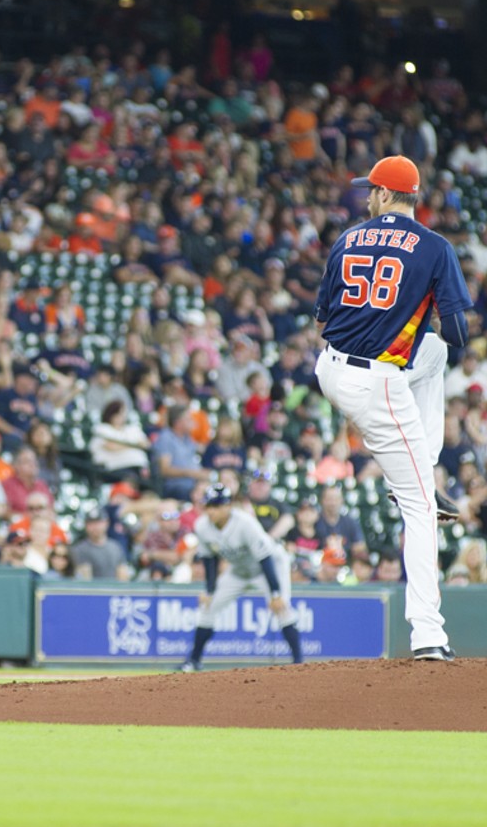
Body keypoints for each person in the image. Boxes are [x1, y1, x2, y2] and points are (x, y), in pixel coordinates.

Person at [313, 155, 471, 662]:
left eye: (371, 190)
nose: (367, 196)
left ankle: (420, 465)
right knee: (420, 507)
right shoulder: (435, 247)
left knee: (433, 355)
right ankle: (427, 633)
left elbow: (324, 316)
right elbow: (459, 331)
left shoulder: (346, 239)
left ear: (383, 195)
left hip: (331, 367)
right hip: (376, 383)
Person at [179, 483, 303, 672]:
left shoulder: (245, 523)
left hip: (269, 566)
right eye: (209, 506)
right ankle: (193, 661)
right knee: (208, 606)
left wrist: (276, 593)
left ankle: (299, 663)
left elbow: (265, 558)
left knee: (282, 608)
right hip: (239, 570)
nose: (211, 511)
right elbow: (209, 559)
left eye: (217, 506)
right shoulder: (202, 526)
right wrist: (209, 590)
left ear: (228, 505)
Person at [69, 508, 130, 580]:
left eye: (98, 522)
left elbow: (123, 576)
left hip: (114, 590)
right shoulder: (80, 549)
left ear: (106, 523)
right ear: (86, 526)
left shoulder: (115, 547)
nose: (95, 527)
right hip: (93, 590)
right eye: (91, 523)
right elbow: (85, 579)